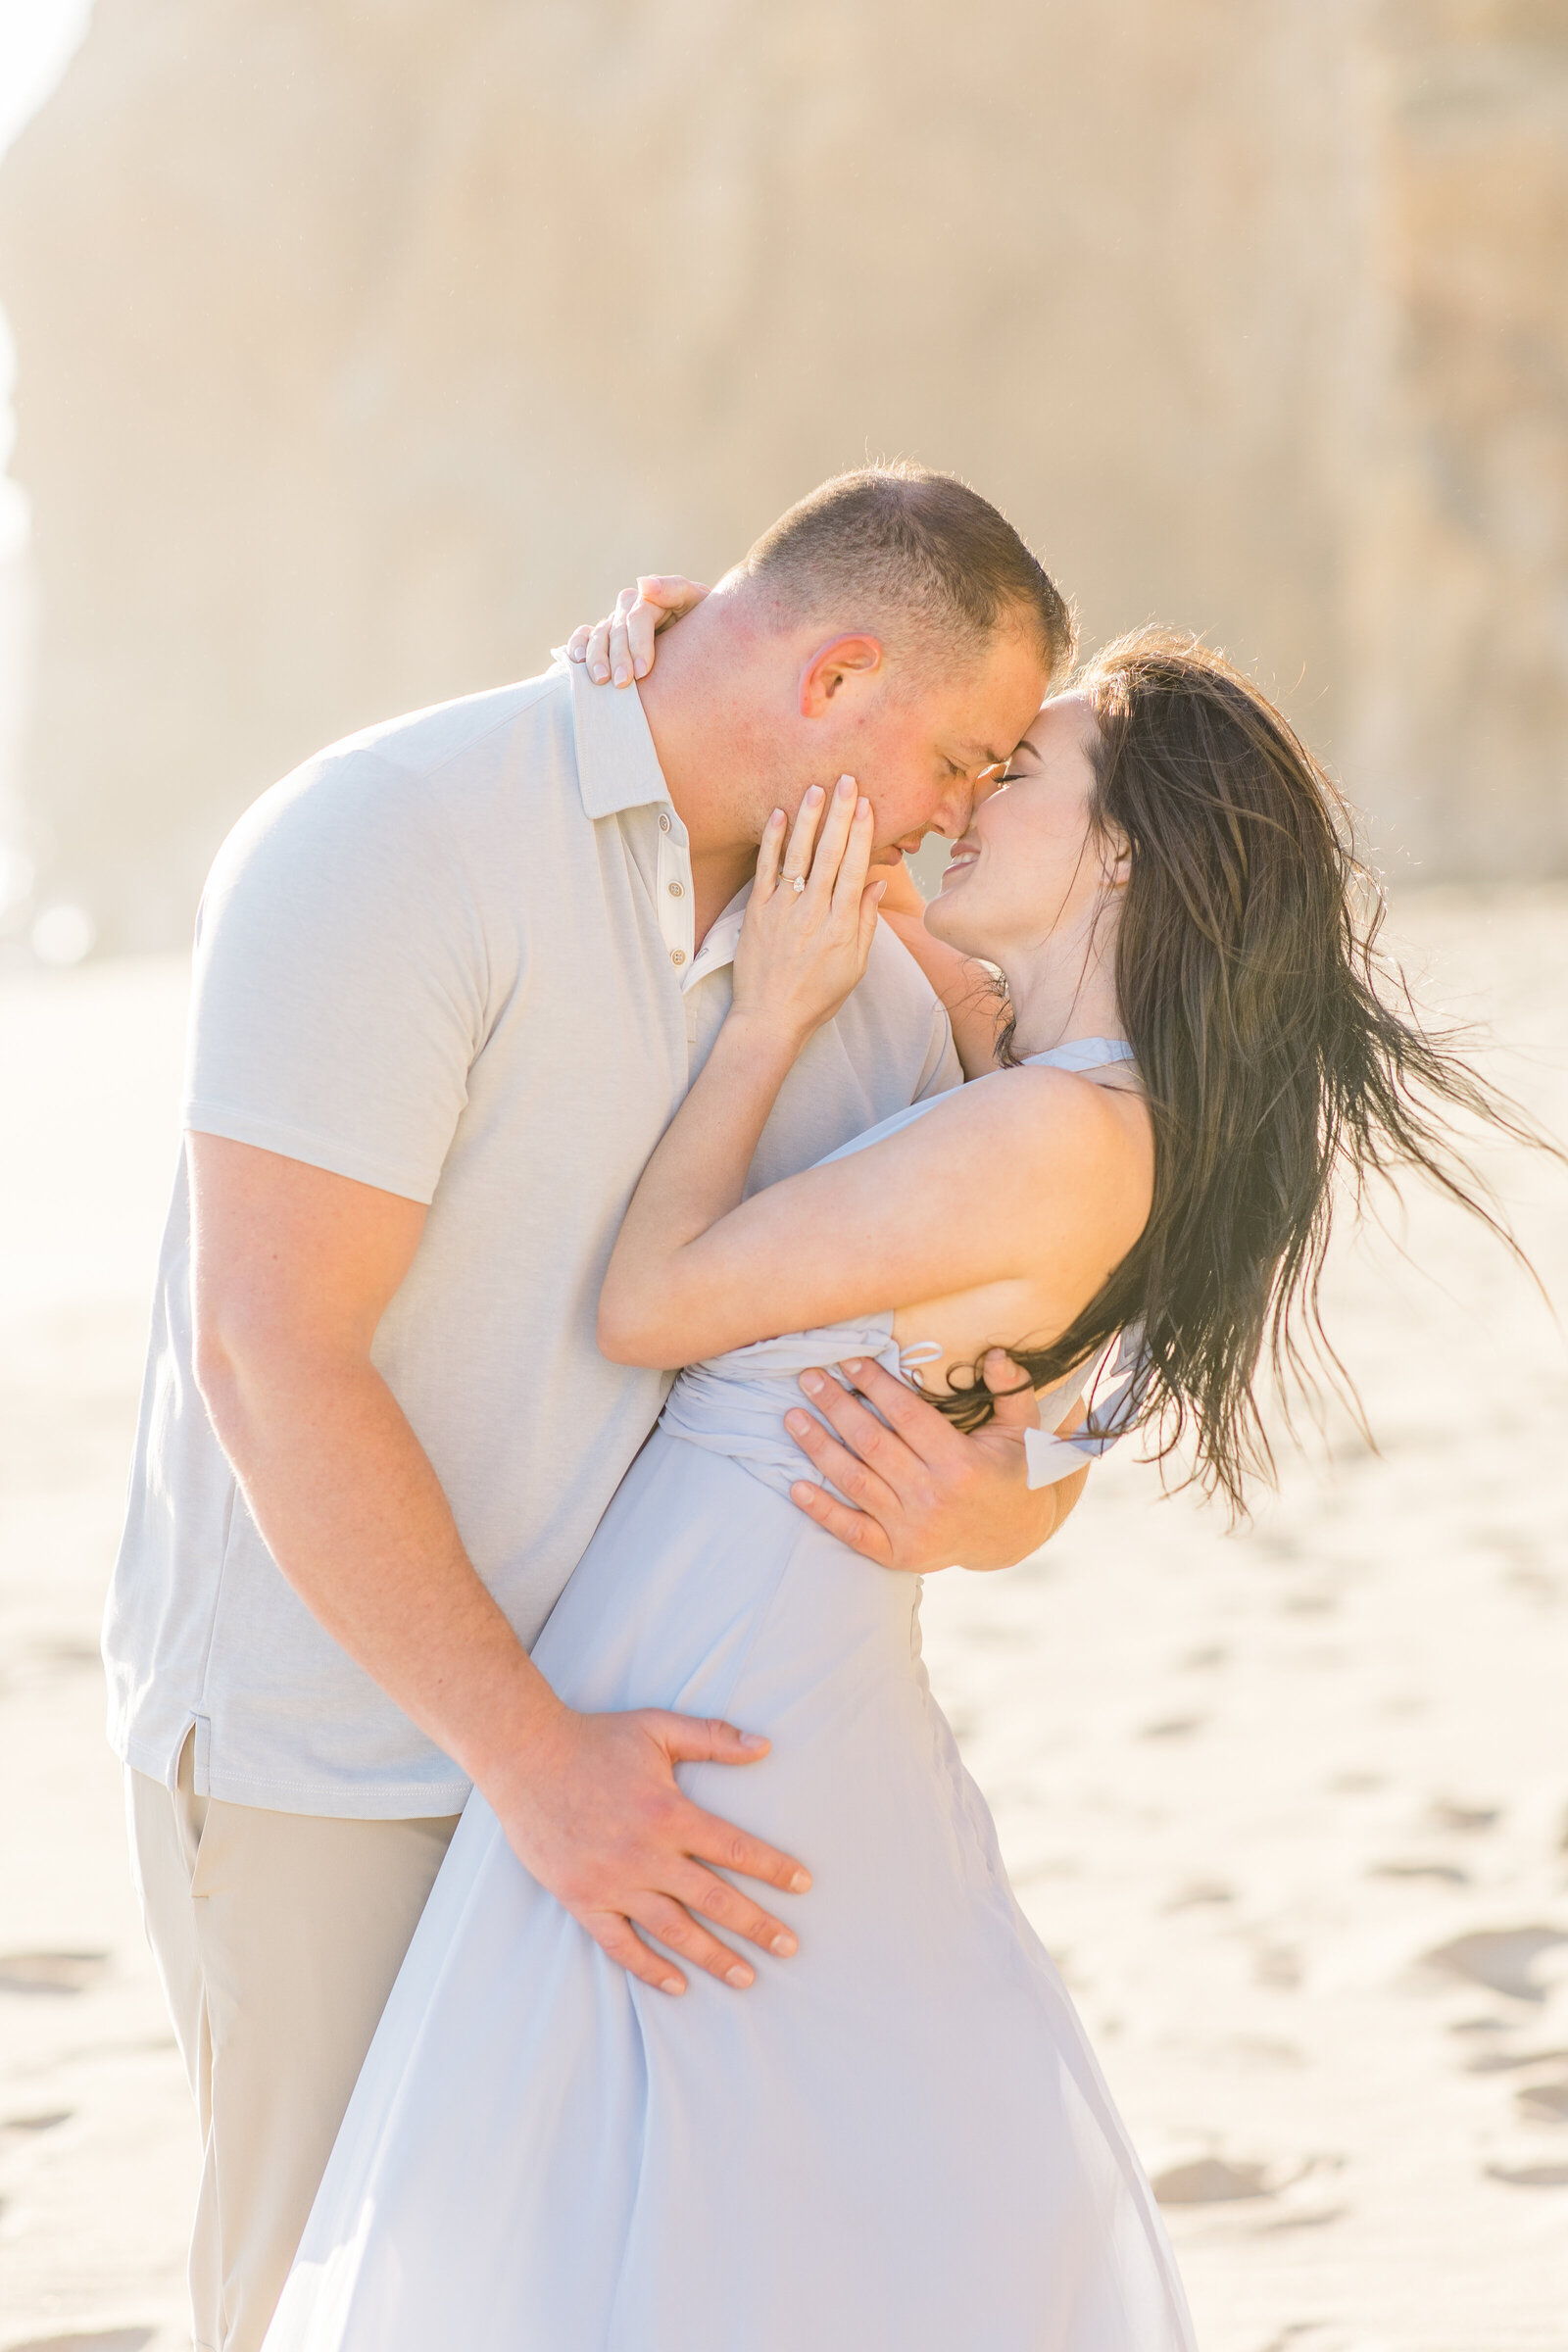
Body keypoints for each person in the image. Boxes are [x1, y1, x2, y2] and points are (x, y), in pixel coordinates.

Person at [262, 612, 1535, 2350]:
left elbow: (651, 1302)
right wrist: (679, 634)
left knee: (669, 2212)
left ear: (1122, 851)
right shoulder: (1074, 1102)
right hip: (762, 1658)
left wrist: (770, 1019)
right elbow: (1054, 1405)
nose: (975, 793)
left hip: (727, 1677)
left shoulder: (1056, 1137)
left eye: (1024, 770)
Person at [107, 465, 1087, 2352]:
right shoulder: (395, 840)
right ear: (836, 682)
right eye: (963, 759)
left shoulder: (880, 967)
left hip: (665, 1785)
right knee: (328, 2306)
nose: (971, 814)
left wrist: (1007, 1501)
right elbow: (269, 1353)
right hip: (351, 1761)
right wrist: (531, 1759)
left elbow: (1021, 1346)